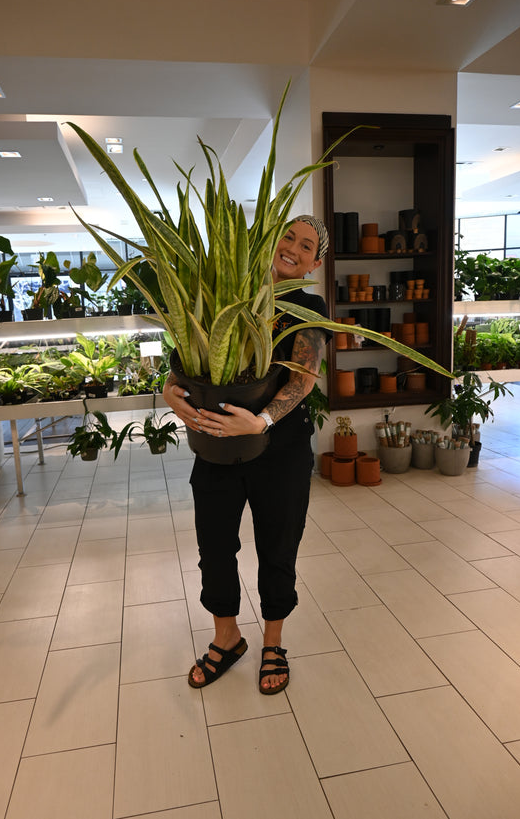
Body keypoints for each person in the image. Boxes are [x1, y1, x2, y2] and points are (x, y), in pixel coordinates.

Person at [163, 215, 330, 694]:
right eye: (288, 237)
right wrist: (169, 390)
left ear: (315, 261)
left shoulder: (308, 307)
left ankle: (273, 641)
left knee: (278, 546)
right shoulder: (228, 293)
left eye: (306, 245)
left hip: (280, 447)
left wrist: (261, 421)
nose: (293, 248)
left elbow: (302, 378)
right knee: (214, 546)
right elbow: (189, 355)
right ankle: (228, 636)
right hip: (216, 444)